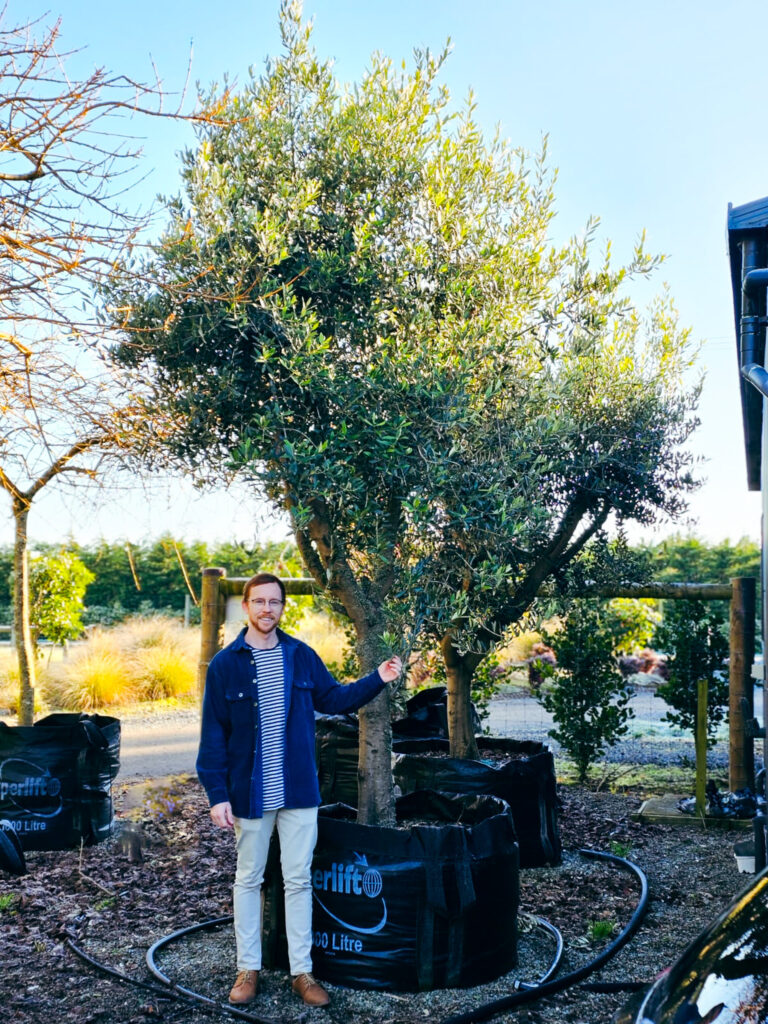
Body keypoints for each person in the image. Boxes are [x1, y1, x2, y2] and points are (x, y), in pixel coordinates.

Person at [196, 571, 402, 1009]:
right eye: (259, 602)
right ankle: (247, 969)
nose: (267, 609)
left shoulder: (300, 656)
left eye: (275, 602)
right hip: (249, 793)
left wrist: (378, 678)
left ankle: (301, 972)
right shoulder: (225, 665)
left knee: (298, 881)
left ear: (283, 607)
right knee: (248, 879)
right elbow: (213, 735)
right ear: (246, 607)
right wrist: (217, 794)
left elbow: (335, 699)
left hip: (298, 792)